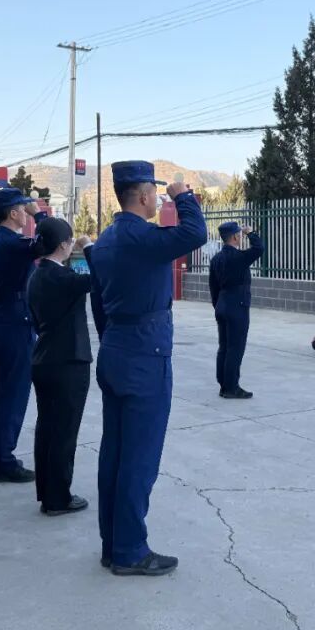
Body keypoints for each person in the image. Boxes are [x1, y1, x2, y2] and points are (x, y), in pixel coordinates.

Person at [88, 161, 207, 576]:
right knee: (139, 457)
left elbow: (98, 304)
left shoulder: (105, 240)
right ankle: (129, 550)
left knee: (115, 453)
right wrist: (183, 196)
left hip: (116, 347)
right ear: (142, 196)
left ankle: (113, 544)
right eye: (155, 192)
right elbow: (196, 233)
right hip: (144, 353)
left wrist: (115, 339)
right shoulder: (142, 237)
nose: (158, 198)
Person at [0, 188, 46, 483]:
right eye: (23, 208)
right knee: (12, 394)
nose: (26, 213)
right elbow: (53, 238)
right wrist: (40, 214)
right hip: (15, 322)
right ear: (14, 213)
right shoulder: (12, 244)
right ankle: (3, 461)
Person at [27, 217, 93, 516]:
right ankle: (58, 497)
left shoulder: (37, 275)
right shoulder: (63, 278)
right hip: (68, 361)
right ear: (64, 245)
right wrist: (88, 247)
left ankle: (47, 491)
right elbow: (100, 277)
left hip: (44, 357)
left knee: (47, 428)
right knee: (64, 432)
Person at [208, 221, 264, 399]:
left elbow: (213, 287)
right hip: (237, 306)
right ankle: (231, 387)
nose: (241, 237)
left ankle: (223, 384)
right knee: (236, 347)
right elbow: (259, 248)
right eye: (239, 234)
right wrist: (251, 233)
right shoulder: (239, 258)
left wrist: (218, 305)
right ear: (234, 237)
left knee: (224, 346)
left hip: (222, 305)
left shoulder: (216, 259)